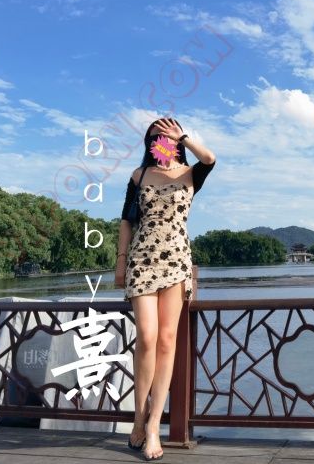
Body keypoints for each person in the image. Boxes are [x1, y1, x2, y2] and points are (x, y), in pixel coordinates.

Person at [115, 117, 215, 461]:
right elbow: (126, 220)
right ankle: (138, 417)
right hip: (142, 260)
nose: (162, 139)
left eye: (167, 134)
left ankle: (154, 425)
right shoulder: (139, 175)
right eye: (155, 136)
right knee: (146, 336)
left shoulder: (190, 174)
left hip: (176, 261)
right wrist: (120, 262)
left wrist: (183, 137)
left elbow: (210, 159)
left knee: (167, 340)